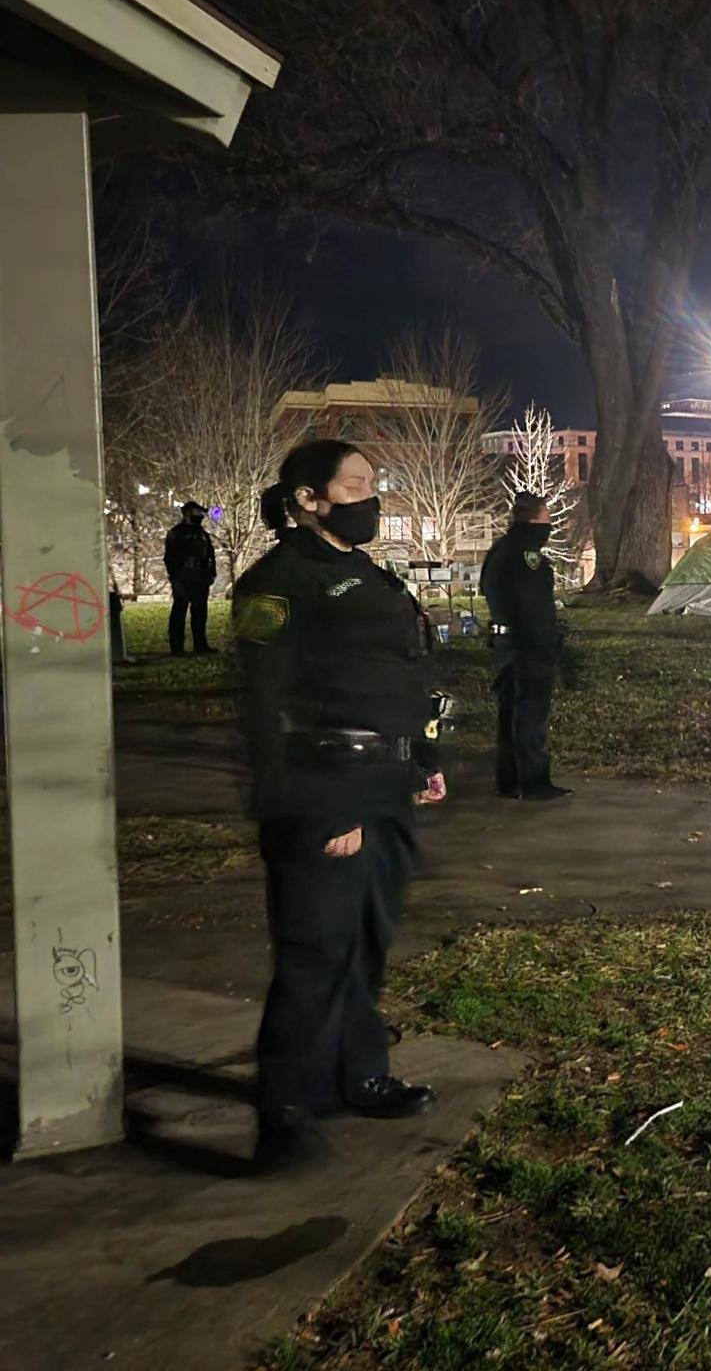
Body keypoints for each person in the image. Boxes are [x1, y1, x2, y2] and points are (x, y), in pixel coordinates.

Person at [231, 440, 444, 1171]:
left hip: (385, 786)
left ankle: (358, 1073)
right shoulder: (278, 582)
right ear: (308, 499)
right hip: (326, 794)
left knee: (366, 942)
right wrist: (322, 809)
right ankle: (286, 1110)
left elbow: (394, 675)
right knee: (315, 952)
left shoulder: (362, 573)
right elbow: (267, 709)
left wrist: (424, 758)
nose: (369, 497)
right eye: (354, 484)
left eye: (372, 484)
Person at [481, 492, 571, 801]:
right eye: (547, 519)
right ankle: (533, 782)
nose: (549, 525)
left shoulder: (499, 550)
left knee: (508, 715)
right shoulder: (527, 556)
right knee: (531, 716)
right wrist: (546, 642)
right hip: (528, 645)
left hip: (504, 643)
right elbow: (533, 605)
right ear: (534, 520)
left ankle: (509, 780)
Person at [164, 499, 217, 654]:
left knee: (200, 613)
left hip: (200, 579)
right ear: (187, 513)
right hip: (182, 578)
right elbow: (170, 558)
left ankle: (200, 645)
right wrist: (175, 578)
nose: (200, 515)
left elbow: (210, 556)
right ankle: (177, 647)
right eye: (197, 512)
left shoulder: (202, 535)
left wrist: (211, 573)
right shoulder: (177, 533)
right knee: (179, 612)